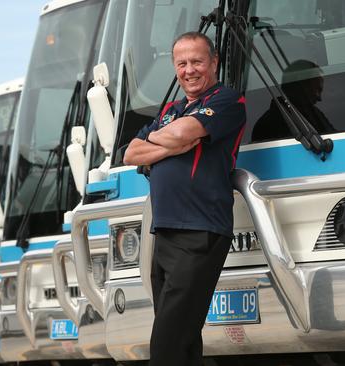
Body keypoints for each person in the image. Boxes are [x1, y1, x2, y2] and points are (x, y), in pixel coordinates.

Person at [123, 32, 246, 366]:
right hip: (164, 231)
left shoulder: (226, 101)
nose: (189, 70)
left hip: (199, 232)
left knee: (166, 343)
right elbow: (130, 153)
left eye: (197, 61)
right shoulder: (170, 109)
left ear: (214, 62)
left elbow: (179, 134)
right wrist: (172, 142)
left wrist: (165, 140)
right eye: (182, 63)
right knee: (184, 339)